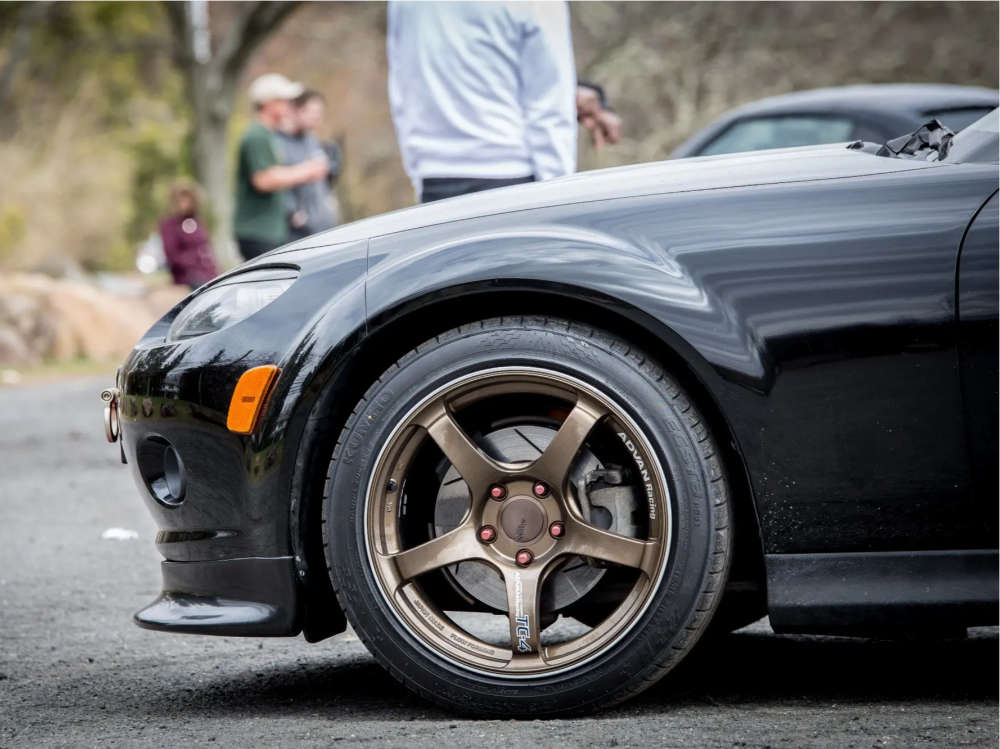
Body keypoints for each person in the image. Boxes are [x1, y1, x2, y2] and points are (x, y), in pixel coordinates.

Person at [388, 1, 577, 203]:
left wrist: (419, 174)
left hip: (435, 177)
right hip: (512, 173)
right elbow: (550, 102)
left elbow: (402, 87)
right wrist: (556, 195)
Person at [233, 73, 329, 260]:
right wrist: (307, 171)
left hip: (269, 232)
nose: (289, 105)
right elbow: (263, 180)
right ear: (269, 104)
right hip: (257, 232)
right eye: (284, 100)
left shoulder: (269, 135)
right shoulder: (257, 135)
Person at [278, 89, 342, 239]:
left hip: (324, 226)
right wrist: (292, 212)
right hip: (298, 232)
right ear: (295, 110)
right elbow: (277, 184)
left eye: (320, 112)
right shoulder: (278, 142)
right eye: (312, 111)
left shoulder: (311, 139)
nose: (317, 117)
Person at [158, 182, 217, 290]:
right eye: (181, 201)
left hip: (208, 272)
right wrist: (194, 260)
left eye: (188, 200)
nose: (185, 204)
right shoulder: (169, 225)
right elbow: (172, 255)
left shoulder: (197, 221)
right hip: (188, 276)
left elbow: (205, 247)